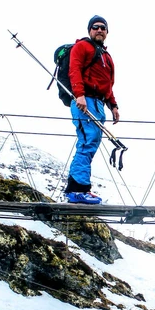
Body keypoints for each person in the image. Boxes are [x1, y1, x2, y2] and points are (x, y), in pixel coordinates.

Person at [64, 15, 120, 204]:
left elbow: (108, 84)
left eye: (103, 27)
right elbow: (74, 69)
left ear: (106, 32)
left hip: (98, 104)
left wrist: (113, 105)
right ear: (89, 30)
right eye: (95, 27)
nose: (99, 30)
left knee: (91, 142)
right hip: (85, 100)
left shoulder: (106, 56)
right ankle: (77, 190)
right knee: (87, 142)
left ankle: (80, 188)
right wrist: (79, 94)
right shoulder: (82, 47)